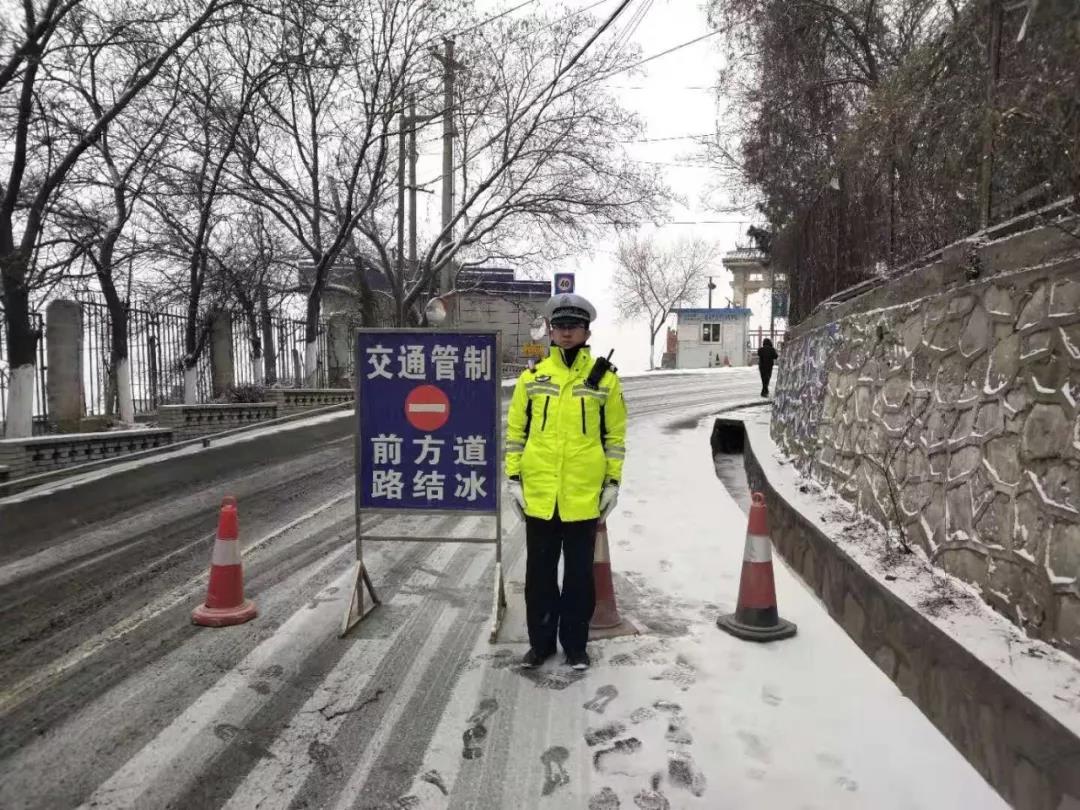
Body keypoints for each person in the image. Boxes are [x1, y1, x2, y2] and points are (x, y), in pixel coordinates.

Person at [504, 293, 627, 671]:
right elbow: (515, 432)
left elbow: (615, 438)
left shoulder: (605, 380)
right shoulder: (533, 378)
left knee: (578, 578)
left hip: (582, 496)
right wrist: (513, 479)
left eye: (574, 326)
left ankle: (575, 645)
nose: (566, 332)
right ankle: (540, 645)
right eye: (560, 326)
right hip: (540, 495)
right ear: (551, 331)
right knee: (539, 578)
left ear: (587, 330)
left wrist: (612, 483)